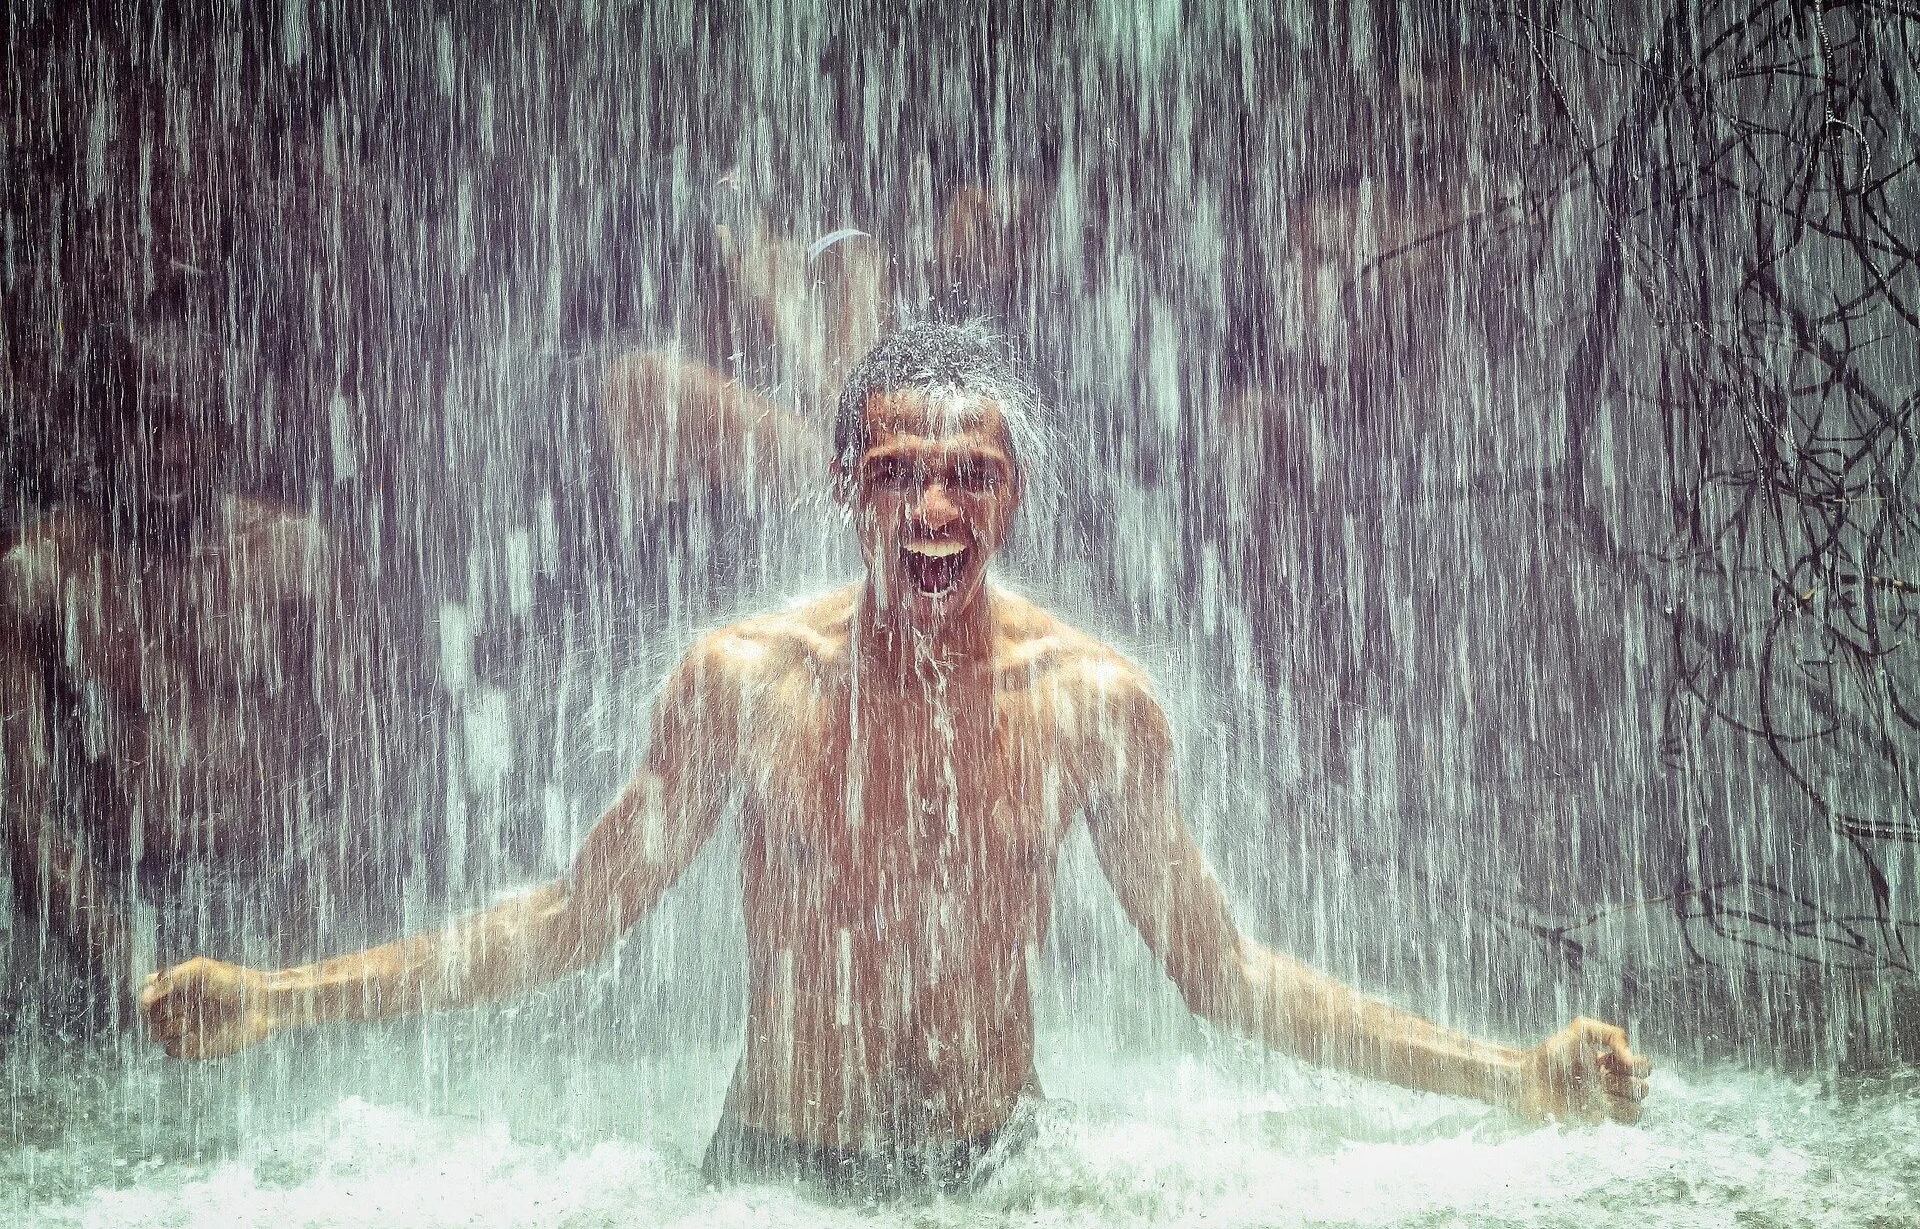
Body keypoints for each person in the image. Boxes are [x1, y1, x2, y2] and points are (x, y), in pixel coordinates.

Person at [139, 322, 1651, 1197]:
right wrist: (284, 996)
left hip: (1007, 1180)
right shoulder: (744, 681)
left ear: (1015, 494)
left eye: (970, 474)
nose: (936, 505)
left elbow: (1229, 971)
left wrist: (1506, 1071)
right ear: (845, 491)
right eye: (899, 473)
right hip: (774, 1183)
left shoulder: (1091, 702)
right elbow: (563, 919)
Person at [0, 324, 390, 1025]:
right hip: (113, 906)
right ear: (101, 430)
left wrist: (273, 979)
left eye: (191, 425)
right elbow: (23, 812)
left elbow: (367, 786)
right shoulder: (43, 579)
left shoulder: (296, 562)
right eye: (145, 423)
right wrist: (137, 976)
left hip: (275, 891)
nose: (168, 452)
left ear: (228, 429)